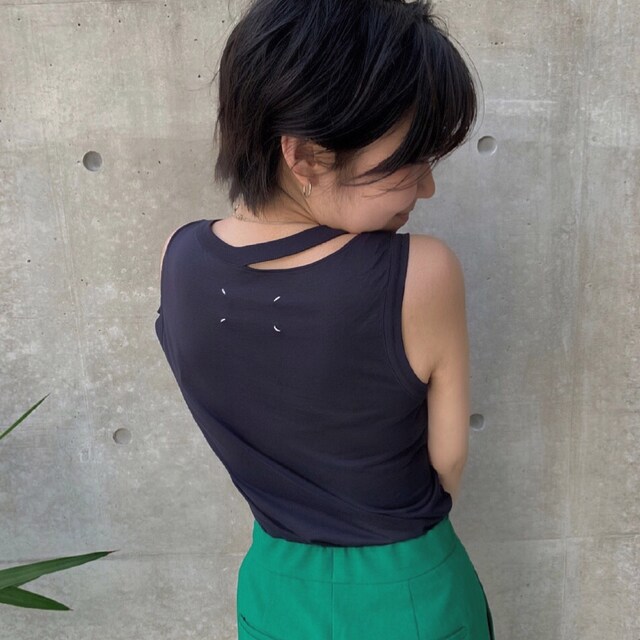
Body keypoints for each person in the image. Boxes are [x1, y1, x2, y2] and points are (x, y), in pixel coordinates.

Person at [154, 0, 495, 638]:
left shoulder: (179, 259)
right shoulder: (420, 272)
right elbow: (447, 461)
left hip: (274, 592)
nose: (427, 187)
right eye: (410, 161)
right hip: (408, 592)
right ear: (306, 156)